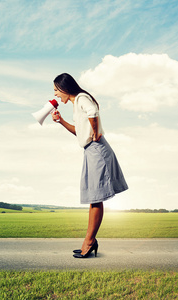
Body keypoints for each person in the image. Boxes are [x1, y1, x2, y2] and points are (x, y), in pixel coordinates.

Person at [51, 73, 128, 258]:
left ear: (64, 88)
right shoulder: (76, 104)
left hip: (96, 149)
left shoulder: (81, 98)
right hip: (90, 150)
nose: (55, 95)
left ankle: (89, 242)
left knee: (96, 197)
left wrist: (95, 132)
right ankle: (89, 240)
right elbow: (79, 132)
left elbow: (93, 112)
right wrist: (61, 121)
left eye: (56, 90)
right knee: (95, 197)